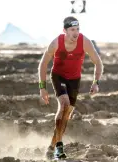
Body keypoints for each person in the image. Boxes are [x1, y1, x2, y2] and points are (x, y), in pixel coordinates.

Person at [38, 16, 104, 159]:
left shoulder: (84, 42)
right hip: (58, 77)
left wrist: (96, 82)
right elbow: (43, 64)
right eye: (72, 30)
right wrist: (42, 88)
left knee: (67, 114)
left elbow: (98, 62)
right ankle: (59, 147)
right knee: (64, 104)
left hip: (74, 80)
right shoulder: (56, 43)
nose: (76, 33)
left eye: (78, 29)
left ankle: (51, 146)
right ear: (65, 31)